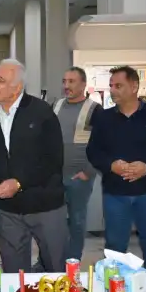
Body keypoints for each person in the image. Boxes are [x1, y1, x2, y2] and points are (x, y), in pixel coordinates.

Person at [0, 59, 67, 273]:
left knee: (56, 269)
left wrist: (19, 182)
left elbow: (53, 160)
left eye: (0, 80)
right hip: (8, 209)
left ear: (17, 87)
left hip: (45, 205)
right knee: (14, 273)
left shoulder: (41, 112)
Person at [86, 65, 146, 271]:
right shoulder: (103, 118)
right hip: (116, 194)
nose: (112, 90)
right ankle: (113, 287)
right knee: (115, 248)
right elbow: (93, 151)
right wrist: (111, 165)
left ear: (134, 86)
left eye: (118, 86)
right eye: (111, 86)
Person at [52, 67, 103, 260]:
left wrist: (88, 172)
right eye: (64, 81)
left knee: (76, 221)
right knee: (52, 223)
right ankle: (51, 260)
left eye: (71, 81)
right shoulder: (55, 105)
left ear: (83, 84)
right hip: (55, 177)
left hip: (79, 178)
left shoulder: (94, 109)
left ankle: (72, 262)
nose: (66, 85)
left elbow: (102, 143)